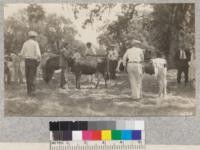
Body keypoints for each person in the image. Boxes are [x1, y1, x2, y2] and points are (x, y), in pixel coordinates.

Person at [20, 31, 41, 96]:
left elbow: (21, 54)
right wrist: (38, 61)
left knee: (27, 76)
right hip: (33, 61)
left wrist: (25, 58)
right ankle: (33, 92)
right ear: (34, 37)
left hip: (27, 61)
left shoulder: (25, 43)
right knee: (33, 76)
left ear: (29, 37)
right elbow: (38, 54)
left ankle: (29, 91)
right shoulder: (35, 43)